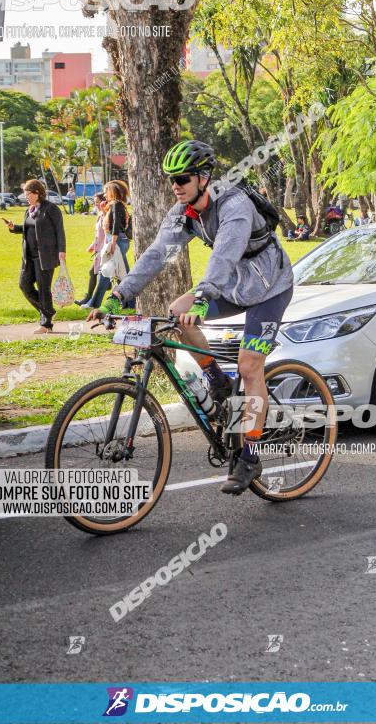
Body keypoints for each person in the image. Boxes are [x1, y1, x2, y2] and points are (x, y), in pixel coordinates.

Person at [88, 139, 294, 495]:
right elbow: (156, 255)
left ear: (203, 177)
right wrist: (121, 294)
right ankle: (216, 381)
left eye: (182, 178)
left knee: (249, 367)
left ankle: (251, 453)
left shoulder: (235, 205)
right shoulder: (184, 212)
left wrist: (203, 297)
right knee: (175, 313)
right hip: (232, 285)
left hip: (270, 287)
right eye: (171, 179)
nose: (175, 186)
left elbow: (224, 257)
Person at [5, 178, 66, 334]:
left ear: (37, 193)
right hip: (29, 257)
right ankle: (48, 311)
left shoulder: (51, 209)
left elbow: (60, 231)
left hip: (45, 256)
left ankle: (46, 324)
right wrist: (14, 227)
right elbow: (28, 229)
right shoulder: (29, 210)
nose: (26, 196)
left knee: (43, 288)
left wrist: (62, 251)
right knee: (24, 284)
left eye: (28, 193)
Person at [82, 180, 132, 309]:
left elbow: (116, 225)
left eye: (106, 192)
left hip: (117, 241)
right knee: (122, 274)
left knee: (106, 271)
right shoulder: (116, 205)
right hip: (118, 240)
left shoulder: (116, 204)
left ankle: (94, 303)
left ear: (112, 192)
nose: (104, 195)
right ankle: (130, 304)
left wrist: (113, 243)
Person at [75, 192, 107, 306]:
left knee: (101, 275)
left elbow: (107, 234)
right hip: (99, 249)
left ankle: (91, 300)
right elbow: (99, 235)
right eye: (95, 202)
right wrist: (93, 245)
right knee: (96, 273)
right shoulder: (100, 214)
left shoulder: (106, 215)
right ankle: (89, 298)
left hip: (105, 250)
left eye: (97, 202)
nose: (96, 204)